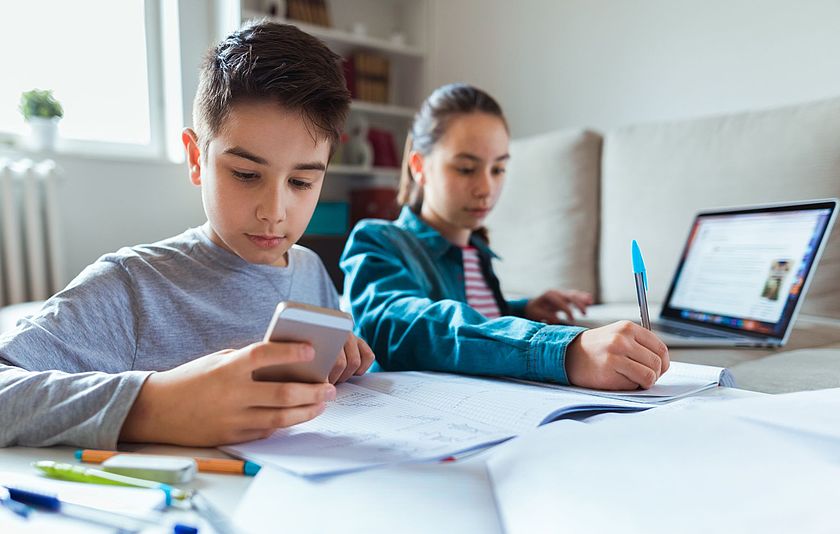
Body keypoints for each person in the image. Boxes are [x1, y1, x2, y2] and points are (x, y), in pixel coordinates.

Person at [0, 21, 374, 449]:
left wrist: (342, 358)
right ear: (197, 158)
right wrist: (154, 405)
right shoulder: (133, 285)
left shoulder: (308, 270)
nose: (274, 212)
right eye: (246, 174)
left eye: (302, 182)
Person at [340, 83, 668, 390]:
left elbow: (472, 320)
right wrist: (564, 351)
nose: (486, 189)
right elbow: (410, 325)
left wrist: (523, 310)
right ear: (419, 167)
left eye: (498, 169)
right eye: (466, 169)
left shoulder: (476, 252)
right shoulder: (377, 241)